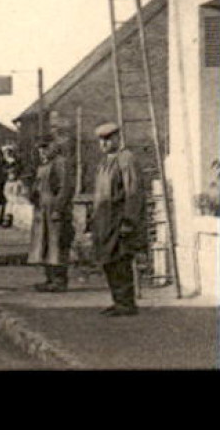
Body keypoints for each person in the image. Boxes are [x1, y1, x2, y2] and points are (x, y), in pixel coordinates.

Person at [90, 122, 146, 316]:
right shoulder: (105, 161)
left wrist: (129, 221)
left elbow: (133, 192)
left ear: (117, 138)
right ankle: (118, 300)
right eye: (101, 140)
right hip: (104, 223)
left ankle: (126, 304)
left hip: (119, 221)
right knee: (109, 262)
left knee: (121, 261)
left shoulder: (126, 159)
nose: (104, 144)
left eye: (108, 139)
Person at [27, 136, 76, 291]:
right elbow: (39, 185)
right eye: (41, 148)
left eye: (46, 147)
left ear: (54, 146)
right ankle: (49, 279)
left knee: (57, 245)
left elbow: (65, 188)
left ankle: (60, 281)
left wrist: (58, 209)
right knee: (44, 245)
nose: (43, 151)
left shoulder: (61, 163)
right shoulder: (44, 165)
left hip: (55, 212)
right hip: (42, 211)